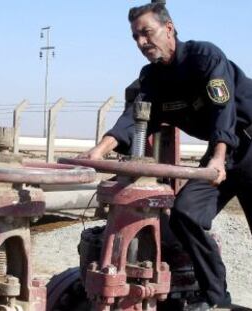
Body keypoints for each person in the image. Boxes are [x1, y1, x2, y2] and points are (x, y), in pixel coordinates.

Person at [80, 3, 252, 311]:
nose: (142, 43)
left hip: (245, 145)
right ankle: (217, 301)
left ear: (169, 28)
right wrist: (98, 151)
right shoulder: (153, 78)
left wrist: (217, 157)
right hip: (223, 155)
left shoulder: (205, 57)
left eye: (147, 33)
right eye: (135, 37)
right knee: (186, 214)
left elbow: (223, 110)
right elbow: (133, 117)